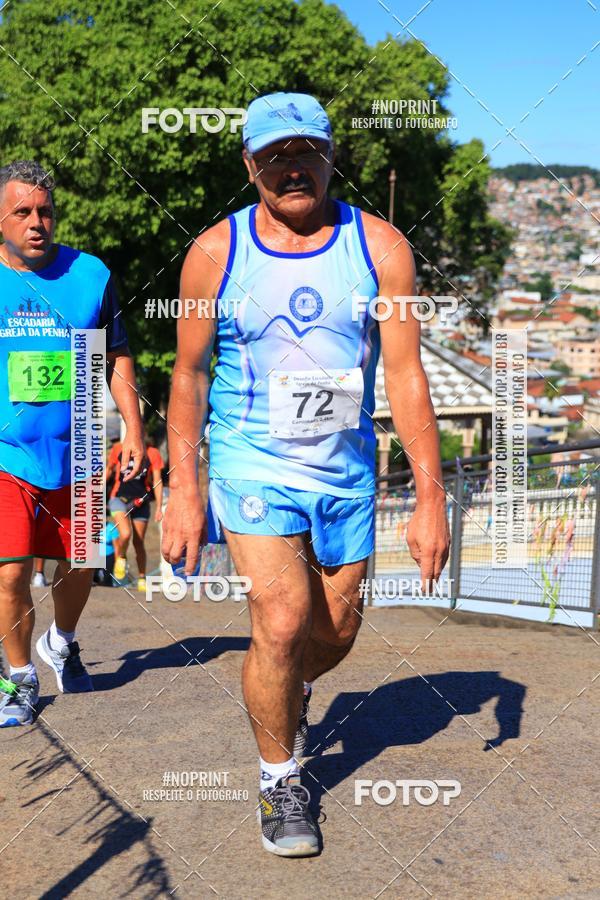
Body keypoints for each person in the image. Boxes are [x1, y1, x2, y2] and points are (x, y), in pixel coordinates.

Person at [162, 93, 450, 856]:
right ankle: (280, 779)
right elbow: (188, 375)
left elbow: (406, 374)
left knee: (336, 632)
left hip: (343, 471)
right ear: (249, 165)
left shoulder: (380, 247)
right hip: (252, 460)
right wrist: (184, 489)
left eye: (307, 153)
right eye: (275, 156)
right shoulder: (214, 254)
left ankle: (289, 686)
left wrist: (431, 498)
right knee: (283, 618)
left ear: (330, 156)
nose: (293, 169)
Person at [0, 160, 144, 727]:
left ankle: (61, 641)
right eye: (23, 212)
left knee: (82, 561)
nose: (37, 222)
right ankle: (19, 677)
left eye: (45, 211)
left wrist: (133, 428)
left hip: (80, 446)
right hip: (7, 452)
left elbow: (116, 356)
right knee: (11, 572)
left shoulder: (90, 274)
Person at [106, 435, 164, 590]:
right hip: (119, 499)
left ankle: (142, 578)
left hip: (141, 501)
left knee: (138, 542)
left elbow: (157, 481)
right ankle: (121, 557)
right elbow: (109, 470)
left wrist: (159, 506)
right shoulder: (118, 448)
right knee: (125, 534)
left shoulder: (152, 453)